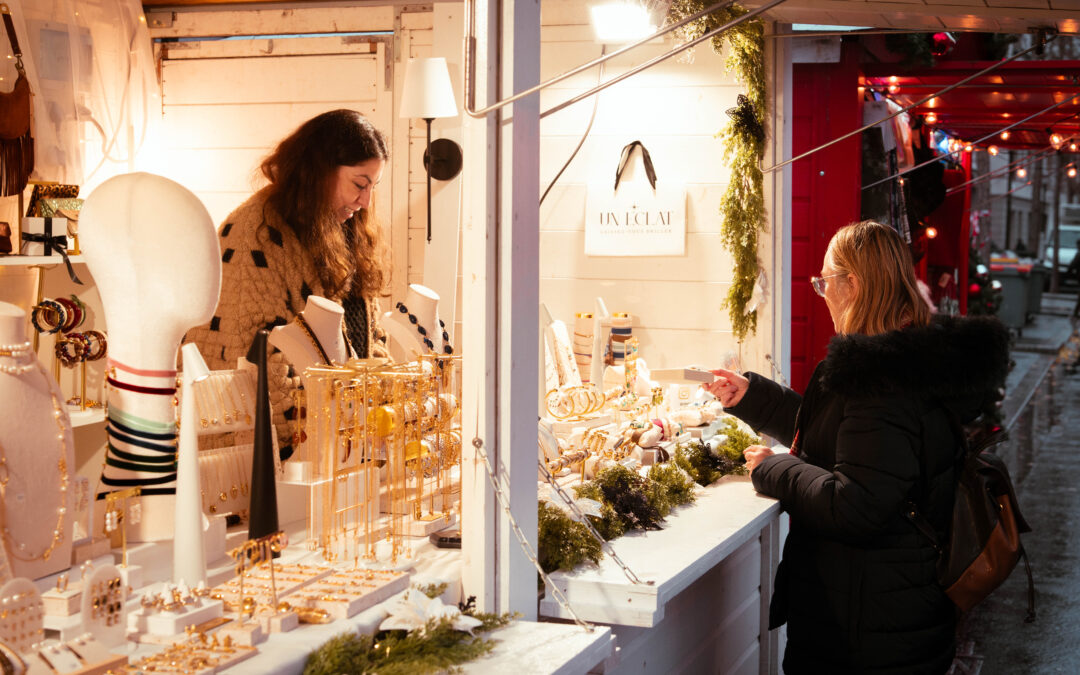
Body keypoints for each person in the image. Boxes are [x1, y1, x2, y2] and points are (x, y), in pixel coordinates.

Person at [705, 221, 1009, 674]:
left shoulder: (879, 380)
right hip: (894, 608)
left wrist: (772, 469)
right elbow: (843, 439)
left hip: (866, 631)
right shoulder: (908, 358)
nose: (821, 291)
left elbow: (857, 505)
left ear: (855, 285)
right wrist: (752, 397)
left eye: (824, 280)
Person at [186, 109, 390, 460]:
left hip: (343, 445)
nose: (366, 200)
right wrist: (320, 439)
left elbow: (369, 337)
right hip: (288, 452)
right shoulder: (256, 232)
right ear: (320, 171)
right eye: (359, 184)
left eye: (373, 186)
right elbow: (253, 355)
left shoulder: (347, 227)